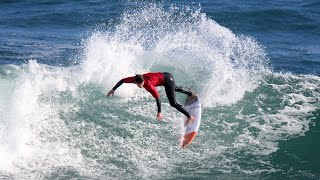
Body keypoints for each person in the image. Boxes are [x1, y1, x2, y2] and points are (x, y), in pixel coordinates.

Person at [107, 72, 196, 125]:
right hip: (163, 76)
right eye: (139, 84)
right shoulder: (134, 79)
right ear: (136, 82)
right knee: (174, 88)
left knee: (173, 103)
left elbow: (158, 98)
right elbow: (122, 80)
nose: (141, 86)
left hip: (167, 78)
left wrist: (159, 112)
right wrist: (113, 89)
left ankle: (189, 117)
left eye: (142, 84)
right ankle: (190, 93)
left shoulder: (148, 85)